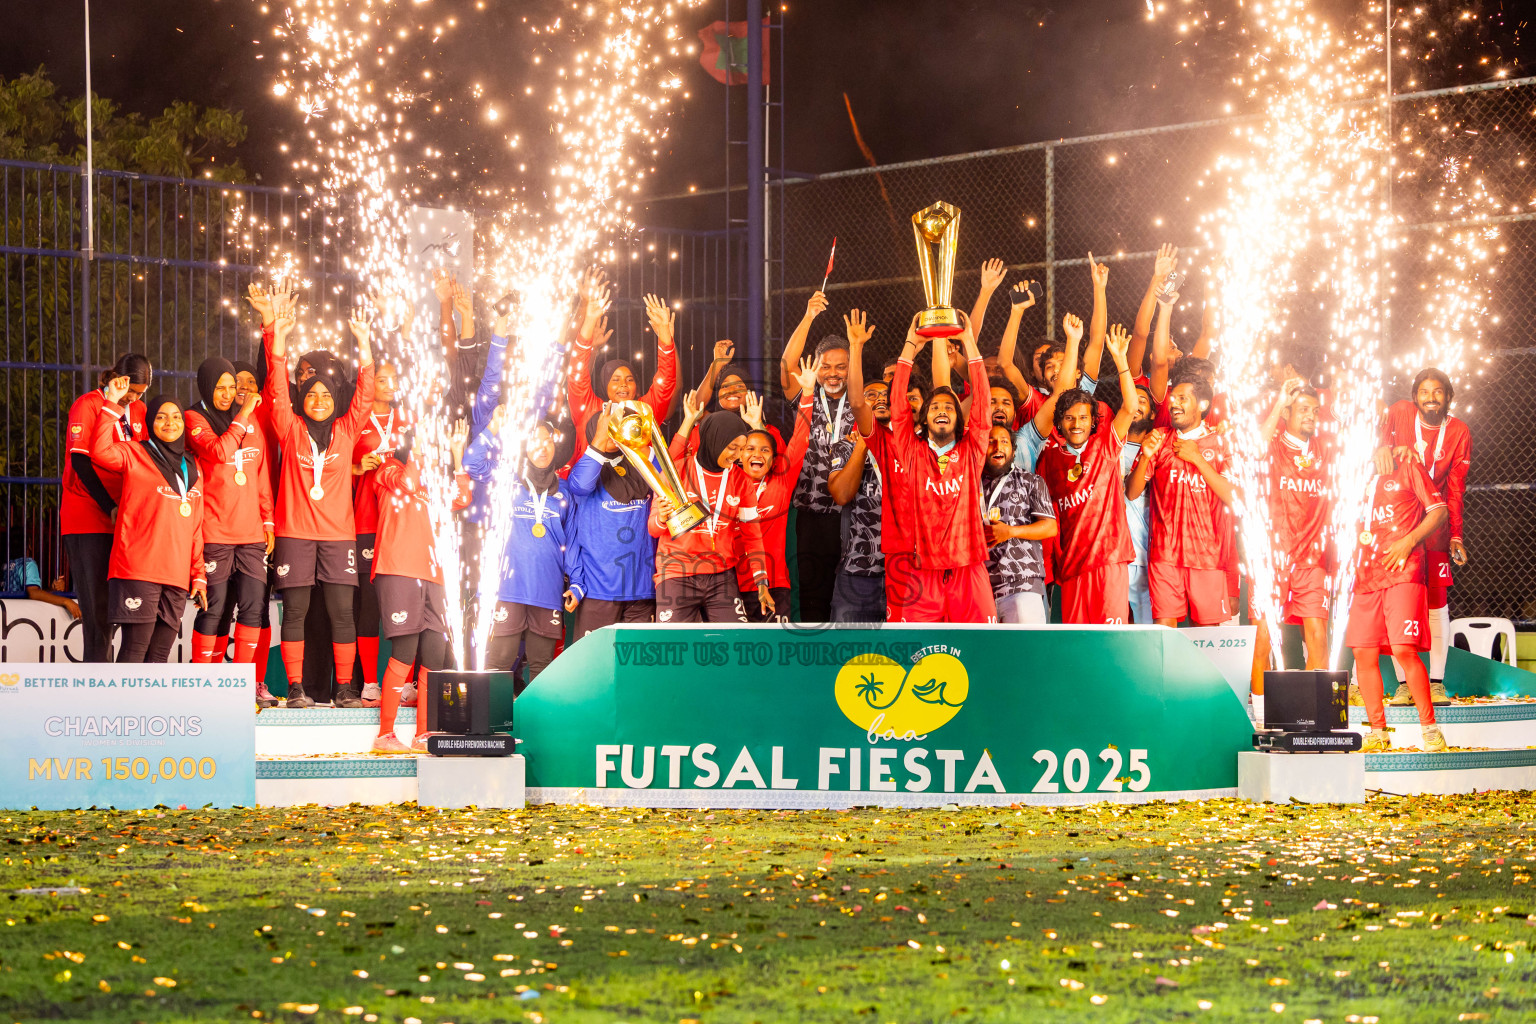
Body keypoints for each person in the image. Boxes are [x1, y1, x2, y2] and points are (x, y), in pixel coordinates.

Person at [264, 294, 377, 708]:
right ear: (303, 400)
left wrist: (364, 342)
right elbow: (276, 389)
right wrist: (281, 339)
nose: (318, 401)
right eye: (311, 396)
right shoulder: (290, 429)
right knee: (294, 613)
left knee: (342, 614)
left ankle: (344, 688)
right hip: (295, 533)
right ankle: (296, 688)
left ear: (334, 401)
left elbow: (364, 394)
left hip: (337, 537)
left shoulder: (346, 432)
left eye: (325, 397)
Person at [884, 311, 995, 623]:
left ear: (960, 418)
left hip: (969, 567)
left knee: (981, 653)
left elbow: (983, 404)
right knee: (919, 654)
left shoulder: (972, 451)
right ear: (924, 418)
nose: (942, 410)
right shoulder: (912, 451)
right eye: (935, 406)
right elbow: (897, 409)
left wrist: (969, 342)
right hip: (924, 572)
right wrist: (910, 347)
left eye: (950, 406)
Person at [1027, 318, 1139, 623]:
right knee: (1080, 646)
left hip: (1109, 560)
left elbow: (1130, 407)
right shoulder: (1050, 460)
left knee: (1110, 643)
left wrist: (1120, 360)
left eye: (1082, 417)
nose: (1076, 423)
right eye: (1069, 418)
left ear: (1093, 422)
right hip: (1072, 568)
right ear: (1060, 424)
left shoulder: (1105, 446)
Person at [369, 422, 470, 751]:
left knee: (434, 655)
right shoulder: (388, 471)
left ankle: (424, 732)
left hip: (435, 577)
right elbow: (409, 481)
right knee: (405, 651)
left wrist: (456, 458)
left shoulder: (435, 482)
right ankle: (385, 734)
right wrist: (421, 450)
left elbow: (462, 498)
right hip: (398, 571)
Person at [89, 387, 207, 663]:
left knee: (159, 656)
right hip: (139, 569)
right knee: (134, 651)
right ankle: (121, 708)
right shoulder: (135, 453)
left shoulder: (194, 466)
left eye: (176, 417)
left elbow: (195, 526)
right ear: (151, 423)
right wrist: (111, 404)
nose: (170, 423)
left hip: (176, 575)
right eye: (161, 417)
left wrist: (198, 574)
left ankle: (150, 709)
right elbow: (99, 452)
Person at [1376, 367, 1469, 706]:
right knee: (1399, 602)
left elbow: (1456, 488)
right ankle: (1404, 684)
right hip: (1397, 524)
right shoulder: (1399, 411)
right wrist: (1381, 447)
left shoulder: (1459, 431)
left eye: (1438, 392)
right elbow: (1377, 442)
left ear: (1448, 397)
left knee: (1435, 603)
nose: (1431, 397)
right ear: (1414, 396)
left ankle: (1437, 682)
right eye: (1425, 391)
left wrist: (1456, 535)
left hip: (1435, 526)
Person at [465, 416, 583, 683]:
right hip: (507, 588)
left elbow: (572, 541)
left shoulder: (564, 491)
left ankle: (537, 726)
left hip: (547, 590)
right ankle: (492, 725)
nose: (542, 447)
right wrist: (494, 426)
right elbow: (471, 462)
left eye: (548, 440)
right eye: (534, 440)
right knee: (498, 664)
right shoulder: (506, 477)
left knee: (542, 668)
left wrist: (577, 584)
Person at [183, 357, 276, 694]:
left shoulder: (249, 422)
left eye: (231, 387)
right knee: (215, 607)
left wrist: (268, 520)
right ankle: (203, 684)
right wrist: (242, 416)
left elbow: (260, 473)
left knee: (254, 604)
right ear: (207, 387)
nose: (227, 393)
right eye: (220, 387)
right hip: (215, 531)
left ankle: (242, 685)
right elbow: (220, 452)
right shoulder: (195, 418)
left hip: (251, 533)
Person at [1347, 452, 1449, 752]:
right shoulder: (1354, 472)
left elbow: (1439, 510)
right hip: (1365, 575)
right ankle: (1378, 733)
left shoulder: (1406, 465)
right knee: (1363, 654)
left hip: (1403, 570)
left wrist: (1408, 541)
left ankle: (1430, 730)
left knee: (1404, 649)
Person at [1249, 380, 1332, 718]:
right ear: (1286, 414)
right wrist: (1280, 399)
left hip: (1312, 560)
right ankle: (1262, 714)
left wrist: (1390, 449)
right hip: (1272, 558)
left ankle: (1313, 715)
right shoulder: (1273, 445)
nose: (1311, 415)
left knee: (1318, 637)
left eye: (1315, 410)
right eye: (1303, 410)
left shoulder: (1325, 451)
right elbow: (1252, 449)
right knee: (1263, 639)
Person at [62, 352, 152, 661]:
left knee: (123, 606)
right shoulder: (87, 405)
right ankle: (97, 687)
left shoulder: (138, 410)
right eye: (131, 391)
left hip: (124, 520)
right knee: (97, 609)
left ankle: (120, 683)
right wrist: (108, 506)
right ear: (117, 380)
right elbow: (80, 462)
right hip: (88, 516)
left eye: (141, 393)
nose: (134, 398)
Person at [1128, 376, 1235, 627]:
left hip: (1207, 558)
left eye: (1183, 398)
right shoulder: (1160, 438)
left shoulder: (1220, 443)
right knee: (1164, 636)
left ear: (1202, 404)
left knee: (1206, 639)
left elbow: (1233, 496)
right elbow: (1132, 493)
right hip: (1165, 557)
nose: (1174, 404)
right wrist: (1145, 457)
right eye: (1173, 399)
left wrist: (1197, 458)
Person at [652, 411, 771, 623]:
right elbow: (653, 529)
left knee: (735, 644)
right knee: (673, 647)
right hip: (677, 572)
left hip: (721, 575)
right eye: (732, 447)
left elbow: (752, 536)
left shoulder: (741, 481)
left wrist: (761, 581)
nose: (737, 455)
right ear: (713, 440)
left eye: (741, 449)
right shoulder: (676, 471)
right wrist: (661, 518)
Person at [779, 290, 850, 622]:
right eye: (826, 367)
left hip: (850, 513)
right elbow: (786, 366)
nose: (833, 373)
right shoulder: (807, 395)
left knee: (847, 590)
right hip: (809, 511)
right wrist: (808, 316)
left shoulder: (861, 402)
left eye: (841, 367)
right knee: (810, 592)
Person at [730, 368, 815, 621]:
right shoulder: (728, 483)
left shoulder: (781, 481)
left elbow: (800, 439)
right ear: (739, 455)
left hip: (776, 583)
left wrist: (808, 393)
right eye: (750, 449)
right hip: (732, 584)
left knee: (776, 654)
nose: (757, 454)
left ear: (774, 457)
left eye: (765, 450)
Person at [567, 407, 658, 637]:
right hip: (599, 590)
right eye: (608, 429)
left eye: (617, 428)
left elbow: (666, 481)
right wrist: (600, 438)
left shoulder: (642, 465)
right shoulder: (586, 469)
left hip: (642, 590)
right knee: (592, 667)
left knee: (638, 668)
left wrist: (638, 443)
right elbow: (579, 486)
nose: (613, 434)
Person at [852, 316, 918, 621]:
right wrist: (855, 348)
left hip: (932, 550)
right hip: (895, 551)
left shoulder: (933, 442)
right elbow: (856, 403)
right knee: (901, 630)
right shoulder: (883, 439)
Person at [352, 359, 408, 704]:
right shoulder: (356, 421)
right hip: (366, 522)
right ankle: (370, 682)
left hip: (401, 523)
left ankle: (407, 683)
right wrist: (359, 468)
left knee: (403, 602)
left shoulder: (407, 420)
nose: (388, 384)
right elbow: (335, 465)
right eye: (381, 379)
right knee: (369, 604)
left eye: (393, 379)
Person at [567, 285, 679, 443]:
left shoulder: (645, 412)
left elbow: (666, 381)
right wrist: (590, 320)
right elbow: (576, 376)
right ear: (604, 385)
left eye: (629, 379)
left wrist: (665, 332)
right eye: (615, 379)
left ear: (636, 386)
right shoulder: (589, 410)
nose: (623, 384)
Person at [829, 377, 891, 623]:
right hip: (858, 570)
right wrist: (864, 443)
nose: (880, 399)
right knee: (848, 651)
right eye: (871, 395)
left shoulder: (908, 446)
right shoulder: (845, 446)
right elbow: (842, 495)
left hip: (902, 570)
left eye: (885, 395)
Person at [980, 426, 1057, 623]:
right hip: (981, 589)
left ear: (1013, 451)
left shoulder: (1030, 481)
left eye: (1004, 442)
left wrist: (1010, 532)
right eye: (991, 441)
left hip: (1022, 584)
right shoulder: (970, 485)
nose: (998, 446)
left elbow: (1050, 527)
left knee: (1027, 651)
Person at [1120, 383, 1157, 624]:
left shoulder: (1160, 448)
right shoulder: (1107, 447)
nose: (1136, 405)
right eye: (1131, 400)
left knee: (1148, 637)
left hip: (1147, 560)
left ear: (1152, 414)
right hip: (1115, 561)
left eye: (1142, 400)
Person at [5, 522, 81, 620]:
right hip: (23, 617)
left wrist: (51, 589)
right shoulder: (28, 564)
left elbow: (24, 592)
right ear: (29, 544)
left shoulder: (6, 565)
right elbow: (33, 593)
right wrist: (66, 601)